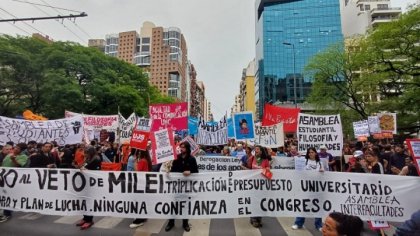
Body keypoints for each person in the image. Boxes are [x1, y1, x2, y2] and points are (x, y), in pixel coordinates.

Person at [165, 142, 198, 232]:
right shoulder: (177, 158)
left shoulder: (192, 159)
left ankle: (185, 223)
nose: (181, 149)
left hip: (187, 187)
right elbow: (173, 170)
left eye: (183, 147)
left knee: (185, 205)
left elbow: (196, 172)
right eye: (181, 147)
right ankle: (171, 222)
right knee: (174, 205)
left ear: (187, 148)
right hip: (177, 186)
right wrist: (169, 172)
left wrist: (190, 172)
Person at [292, 147, 324, 231]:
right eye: (309, 152)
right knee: (303, 205)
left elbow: (324, 174)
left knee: (317, 206)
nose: (310, 154)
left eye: (312, 152)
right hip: (306, 187)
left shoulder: (320, 163)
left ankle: (319, 225)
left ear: (315, 153)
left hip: (317, 187)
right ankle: (298, 223)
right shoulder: (304, 161)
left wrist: (322, 171)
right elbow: (300, 171)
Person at [0, 143, 29, 222]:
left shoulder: (23, 157)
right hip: (2, 178)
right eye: (15, 147)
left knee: (9, 196)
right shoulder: (9, 154)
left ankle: (7, 214)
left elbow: (19, 166)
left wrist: (13, 159)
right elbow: (3, 164)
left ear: (22, 150)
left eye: (18, 148)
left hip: (12, 180)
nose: (15, 149)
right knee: (2, 195)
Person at [76, 146, 102, 230]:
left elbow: (92, 170)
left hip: (92, 183)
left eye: (86, 153)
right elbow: (83, 166)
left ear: (90, 152)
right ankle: (85, 218)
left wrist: (84, 168)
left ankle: (89, 220)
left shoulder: (96, 159)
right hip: (85, 183)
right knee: (84, 201)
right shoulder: (88, 159)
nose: (85, 154)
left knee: (90, 201)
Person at [129, 150, 153, 228]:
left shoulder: (142, 161)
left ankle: (139, 220)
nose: (137, 154)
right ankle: (143, 217)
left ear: (141, 153)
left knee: (139, 202)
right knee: (143, 201)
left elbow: (137, 171)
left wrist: (135, 162)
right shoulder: (146, 160)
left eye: (138, 152)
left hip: (140, 184)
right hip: (144, 184)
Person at [249, 145, 271, 228]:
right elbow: (247, 169)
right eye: (255, 149)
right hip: (253, 184)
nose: (256, 150)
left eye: (258, 149)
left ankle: (259, 218)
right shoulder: (252, 158)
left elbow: (269, 174)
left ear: (261, 151)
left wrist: (265, 170)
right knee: (254, 201)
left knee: (261, 201)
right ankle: (254, 218)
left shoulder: (265, 161)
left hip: (262, 185)